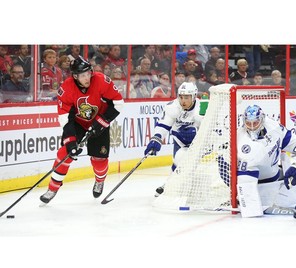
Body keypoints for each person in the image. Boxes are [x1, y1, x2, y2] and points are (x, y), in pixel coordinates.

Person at [39, 56, 124, 204]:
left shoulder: (102, 81)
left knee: (99, 159)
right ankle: (52, 188)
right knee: (65, 153)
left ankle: (99, 180)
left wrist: (101, 122)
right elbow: (65, 119)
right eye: (83, 75)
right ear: (75, 76)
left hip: (100, 120)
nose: (87, 78)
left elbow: (118, 104)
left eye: (88, 73)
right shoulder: (66, 89)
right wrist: (71, 142)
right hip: (77, 123)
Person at [222, 105, 296, 217]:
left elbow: (288, 139)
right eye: (248, 123)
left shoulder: (273, 126)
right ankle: (240, 198)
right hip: (257, 183)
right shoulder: (242, 141)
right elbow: (244, 178)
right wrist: (250, 205)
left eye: (255, 123)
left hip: (274, 176)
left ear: (262, 119)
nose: (251, 127)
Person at [144, 82, 203, 197]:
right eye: (181, 97)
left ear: (194, 96)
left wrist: (196, 133)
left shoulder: (201, 108)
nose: (183, 101)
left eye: (186, 97)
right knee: (178, 160)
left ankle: (178, 184)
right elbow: (163, 125)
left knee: (183, 160)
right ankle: (170, 184)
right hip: (180, 140)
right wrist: (156, 139)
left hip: (198, 142)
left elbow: (209, 129)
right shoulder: (173, 107)